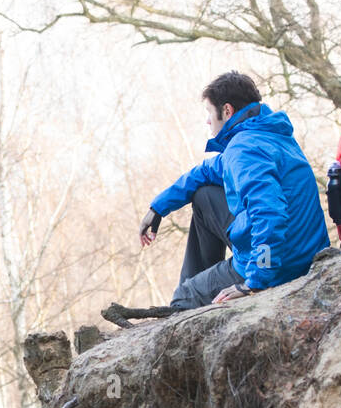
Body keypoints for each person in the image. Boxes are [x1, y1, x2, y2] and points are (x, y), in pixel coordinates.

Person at [139, 71, 329, 310]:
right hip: (303, 251)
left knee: (184, 296)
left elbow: (269, 215)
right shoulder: (269, 136)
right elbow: (206, 171)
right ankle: (204, 281)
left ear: (227, 111)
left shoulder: (243, 149)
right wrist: (158, 208)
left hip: (281, 265)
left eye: (209, 112)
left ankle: (193, 296)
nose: (208, 120)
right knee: (204, 194)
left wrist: (255, 282)